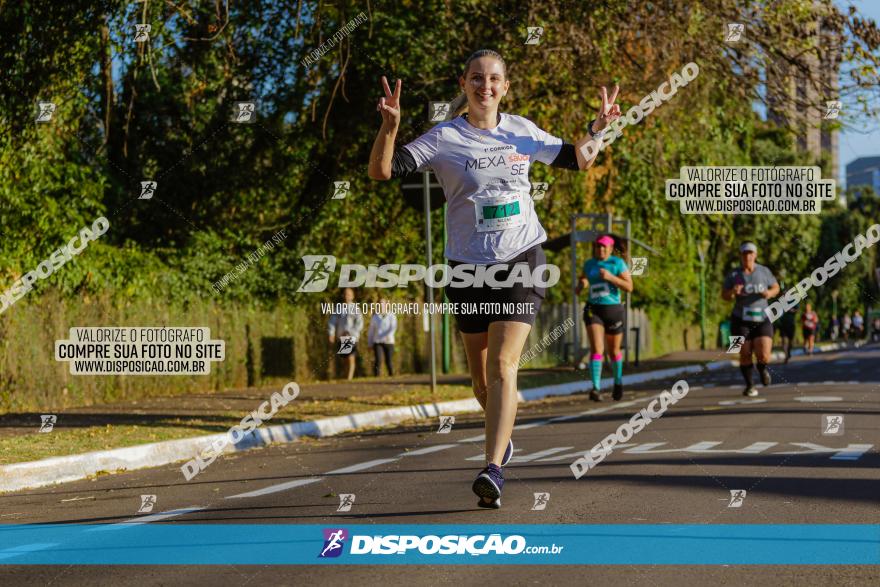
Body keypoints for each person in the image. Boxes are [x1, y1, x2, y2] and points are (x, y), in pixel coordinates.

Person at [368, 48, 621, 508]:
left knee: (503, 365)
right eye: (477, 78)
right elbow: (381, 170)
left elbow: (578, 160)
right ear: (463, 84)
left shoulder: (521, 132)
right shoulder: (445, 138)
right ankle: (503, 437)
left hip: (521, 257)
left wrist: (597, 131)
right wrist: (389, 128)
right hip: (466, 266)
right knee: (482, 382)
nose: (486, 86)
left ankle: (492, 470)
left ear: (505, 87)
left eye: (495, 79)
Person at [575, 235, 633, 401]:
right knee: (597, 348)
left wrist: (610, 277)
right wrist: (582, 285)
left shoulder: (617, 264)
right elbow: (584, 277)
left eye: (604, 247)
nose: (600, 250)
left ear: (610, 248)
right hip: (593, 309)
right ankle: (596, 388)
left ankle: (618, 382)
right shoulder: (589, 263)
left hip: (613, 310)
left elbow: (629, 287)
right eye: (598, 247)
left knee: (614, 351)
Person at [721, 242, 780, 397]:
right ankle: (750, 385)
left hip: (762, 318)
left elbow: (776, 288)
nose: (747, 256)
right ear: (741, 256)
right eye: (744, 254)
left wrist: (769, 293)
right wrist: (732, 292)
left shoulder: (764, 271)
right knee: (744, 353)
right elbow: (724, 295)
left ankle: (762, 369)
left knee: (764, 354)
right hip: (739, 319)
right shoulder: (734, 274)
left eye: (750, 253)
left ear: (755, 255)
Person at [327, 287, 363, 380]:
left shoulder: (356, 309)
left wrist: (351, 332)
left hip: (351, 336)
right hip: (341, 336)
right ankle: (346, 375)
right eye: (345, 294)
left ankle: (349, 378)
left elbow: (359, 323)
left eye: (349, 294)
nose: (347, 296)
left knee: (350, 357)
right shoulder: (339, 308)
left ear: (352, 296)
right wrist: (331, 333)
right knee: (344, 358)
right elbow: (332, 321)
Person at [368, 298, 397, 376]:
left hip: (389, 341)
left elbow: (393, 328)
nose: (381, 305)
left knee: (389, 360)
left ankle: (391, 376)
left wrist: (387, 335)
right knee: (378, 359)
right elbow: (371, 331)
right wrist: (369, 343)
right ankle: (376, 377)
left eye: (383, 303)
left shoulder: (391, 316)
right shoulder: (375, 317)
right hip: (377, 341)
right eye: (380, 303)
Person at [777, 296, 797, 364]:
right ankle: (786, 356)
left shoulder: (793, 301)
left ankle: (788, 352)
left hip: (791, 324)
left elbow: (796, 310)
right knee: (784, 341)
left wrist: (790, 309)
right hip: (782, 324)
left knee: (790, 342)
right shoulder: (780, 302)